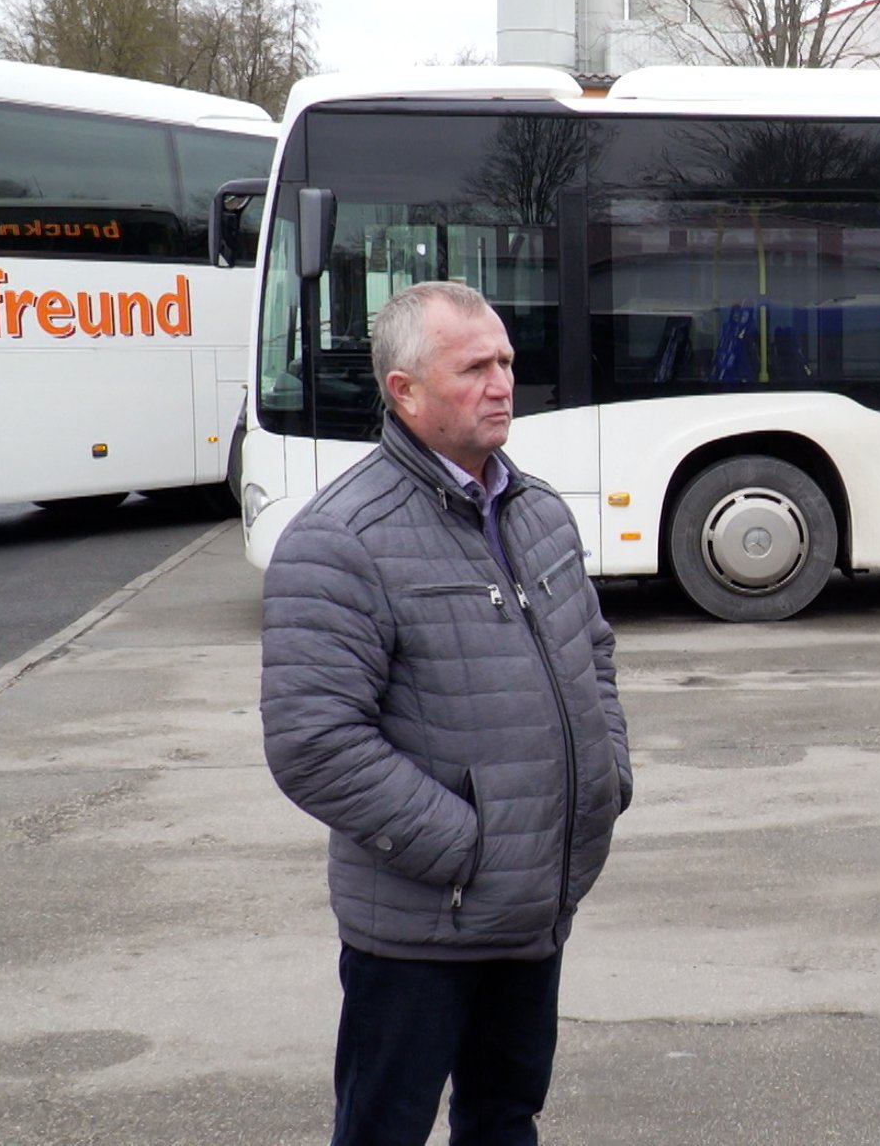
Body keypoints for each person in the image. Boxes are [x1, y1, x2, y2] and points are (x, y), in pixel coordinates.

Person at [261, 280, 632, 1146]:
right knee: (383, 1130)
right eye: (474, 368)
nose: (503, 382)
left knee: (505, 1120)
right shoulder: (341, 537)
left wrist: (607, 775)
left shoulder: (535, 509)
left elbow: (594, 652)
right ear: (406, 391)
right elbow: (314, 743)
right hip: (423, 927)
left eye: (506, 361)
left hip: (534, 907)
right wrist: (471, 845)